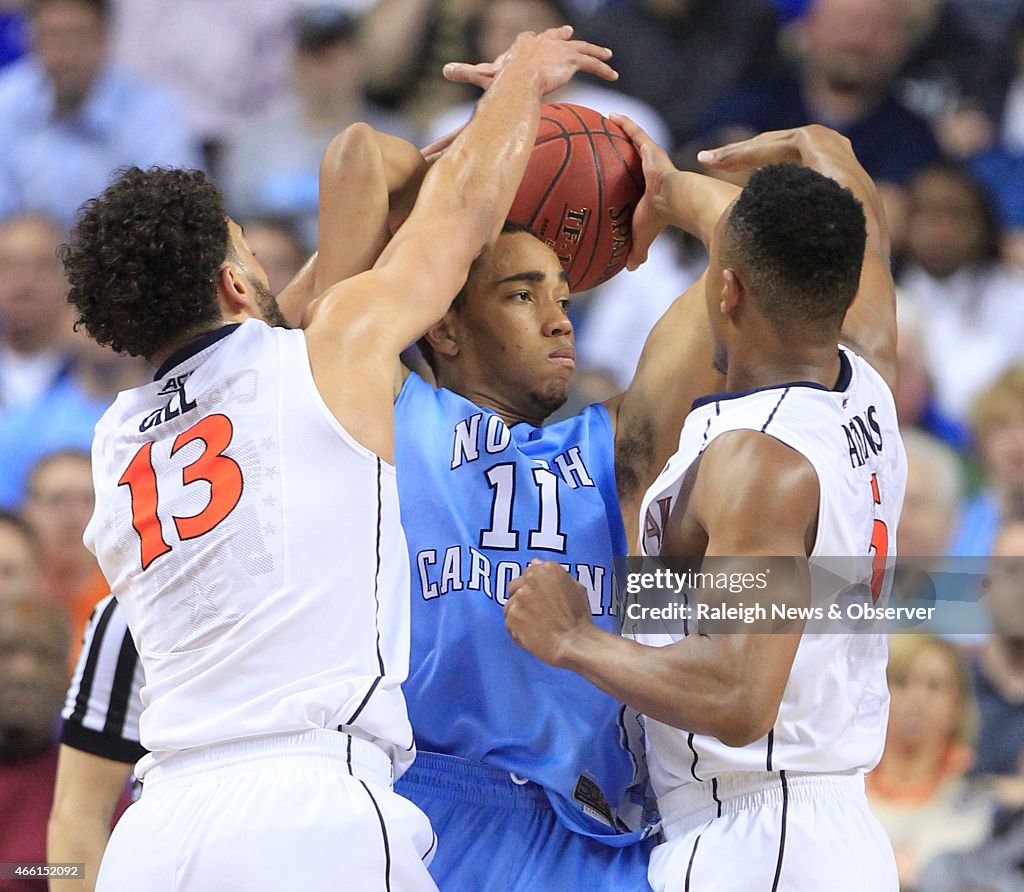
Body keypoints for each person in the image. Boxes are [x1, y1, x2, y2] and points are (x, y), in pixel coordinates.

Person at [61, 27, 616, 891]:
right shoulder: (330, 357)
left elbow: (339, 218)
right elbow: (463, 211)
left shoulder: (113, 439)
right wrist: (521, 86)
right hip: (307, 804)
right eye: (246, 249)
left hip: (158, 827)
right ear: (236, 286)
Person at [504, 122, 905, 890]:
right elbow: (850, 184)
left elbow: (738, 694)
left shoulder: (759, 461)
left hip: (757, 838)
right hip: (827, 829)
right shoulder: (870, 381)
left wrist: (574, 640)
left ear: (726, 291)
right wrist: (678, 193)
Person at [0, 0, 200, 227]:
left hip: (117, 254)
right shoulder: (6, 100)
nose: (62, 55)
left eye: (74, 37)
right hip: (26, 257)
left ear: (104, 37)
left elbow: (173, 211)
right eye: (49, 36)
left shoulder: (153, 110)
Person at [866, 635, 993, 890]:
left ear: (957, 707)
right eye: (901, 681)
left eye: (934, 686)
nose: (917, 698)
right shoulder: (840, 797)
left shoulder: (980, 809)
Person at [0, 596, 71, 890]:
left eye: (45, 655)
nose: (25, 673)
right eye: (6, 652)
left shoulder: (86, 784)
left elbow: (77, 871)